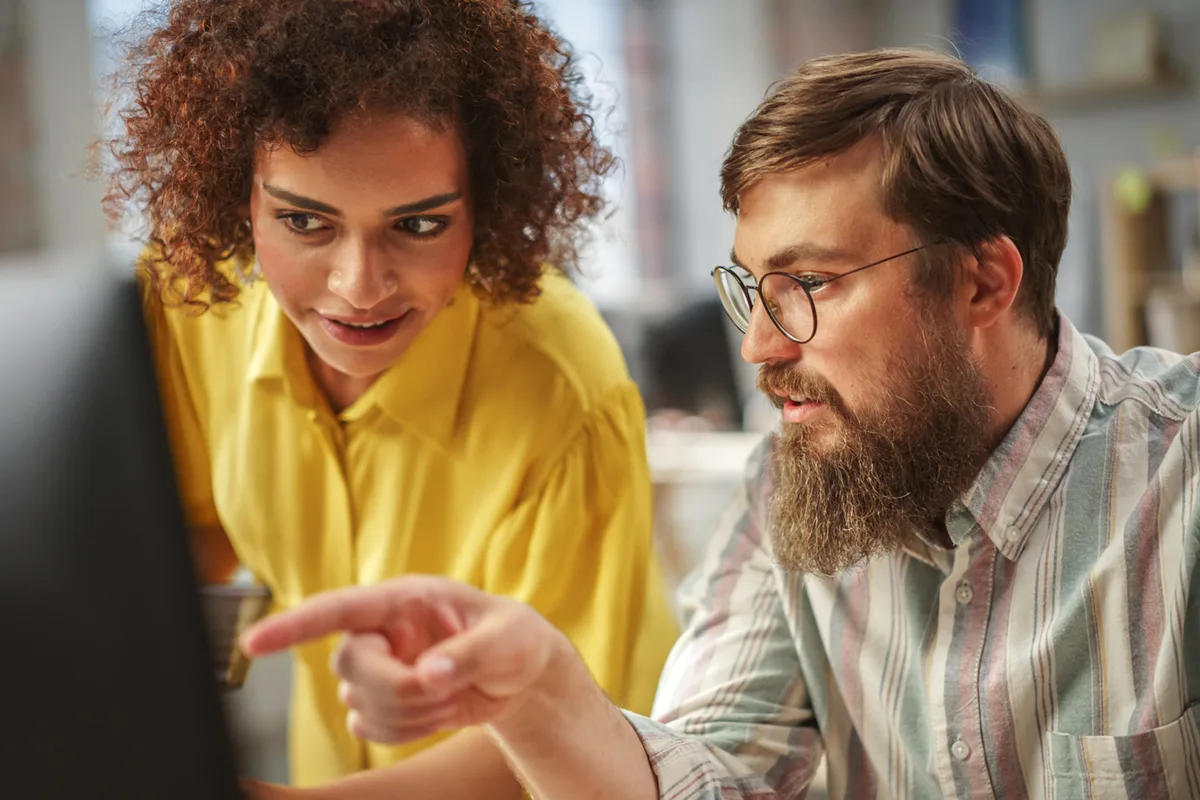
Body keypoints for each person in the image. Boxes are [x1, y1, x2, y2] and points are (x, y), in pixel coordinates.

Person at [241, 48, 1200, 799]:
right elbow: (716, 777)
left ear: (982, 280)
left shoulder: (1180, 479)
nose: (758, 348)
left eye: (811, 283)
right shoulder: (794, 484)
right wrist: (540, 698)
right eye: (754, 289)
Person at [101, 0, 677, 795]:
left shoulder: (565, 385)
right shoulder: (192, 310)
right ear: (240, 197)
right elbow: (188, 535)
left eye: (418, 225)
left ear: (486, 207)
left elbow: (566, 731)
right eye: (304, 220)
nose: (358, 287)